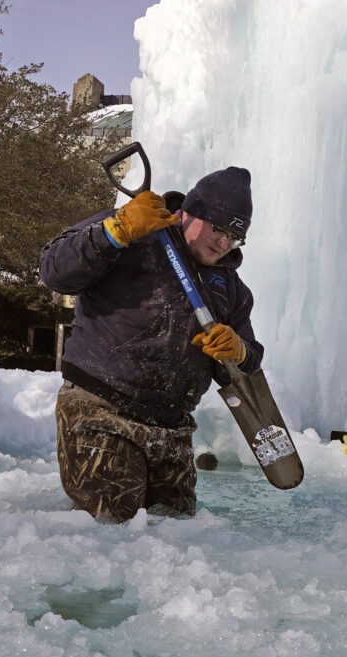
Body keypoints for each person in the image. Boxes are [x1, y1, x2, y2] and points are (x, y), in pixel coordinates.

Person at [39, 167, 263, 523]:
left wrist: (238, 351)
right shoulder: (133, 228)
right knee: (110, 530)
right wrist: (114, 233)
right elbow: (54, 271)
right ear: (188, 212)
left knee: (176, 538)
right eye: (218, 228)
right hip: (102, 410)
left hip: (172, 429)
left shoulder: (231, 289)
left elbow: (246, 365)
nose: (224, 243)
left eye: (235, 238)